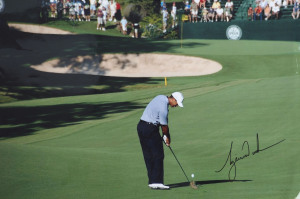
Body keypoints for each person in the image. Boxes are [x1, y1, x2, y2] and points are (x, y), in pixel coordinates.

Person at [137, 92, 184, 190]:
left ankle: (152, 182)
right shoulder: (164, 108)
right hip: (150, 128)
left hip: (141, 126)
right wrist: (167, 137)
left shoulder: (160, 97)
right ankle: (157, 182)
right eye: (176, 103)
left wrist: (164, 136)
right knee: (158, 155)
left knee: (148, 155)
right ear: (173, 99)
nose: (176, 106)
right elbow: (164, 126)